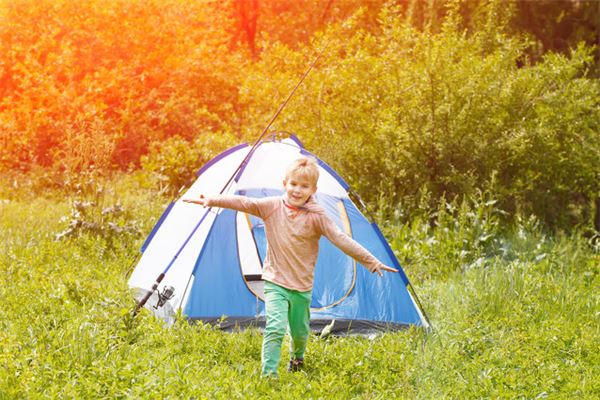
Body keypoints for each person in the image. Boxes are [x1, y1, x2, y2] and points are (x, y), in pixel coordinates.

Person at [183, 156, 397, 377]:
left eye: (304, 186)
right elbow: (244, 203)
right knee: (274, 327)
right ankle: (269, 377)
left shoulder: (318, 216)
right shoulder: (271, 206)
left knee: (300, 332)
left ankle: (297, 359)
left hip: (302, 286)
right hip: (275, 281)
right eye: (293, 184)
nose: (297, 190)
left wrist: (371, 261)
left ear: (313, 189)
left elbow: (341, 239)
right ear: (284, 183)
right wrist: (211, 199)